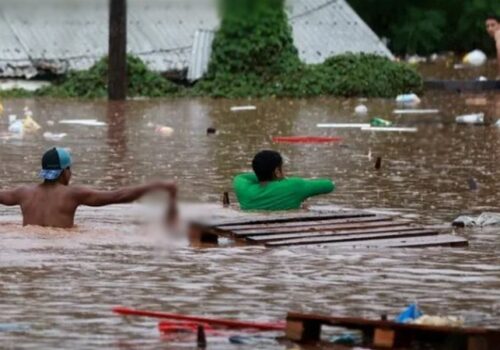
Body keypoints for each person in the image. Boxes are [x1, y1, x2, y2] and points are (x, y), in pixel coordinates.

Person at [0, 147, 177, 228]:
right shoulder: (73, 194)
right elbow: (118, 196)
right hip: (61, 249)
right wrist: (157, 185)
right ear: (64, 172)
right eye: (70, 169)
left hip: (30, 245)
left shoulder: (22, 193)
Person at [233, 150, 335, 211]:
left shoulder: (244, 190)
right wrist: (284, 179)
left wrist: (261, 175)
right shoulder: (294, 186)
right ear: (277, 171)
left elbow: (241, 177)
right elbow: (329, 185)